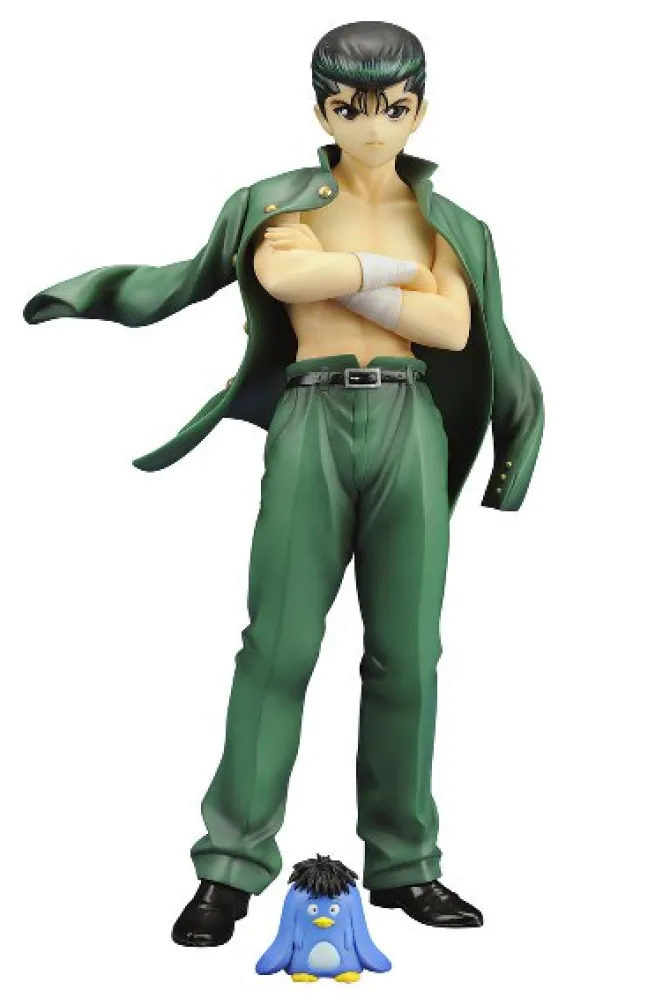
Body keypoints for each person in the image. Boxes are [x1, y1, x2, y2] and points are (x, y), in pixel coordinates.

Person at [23, 20, 544, 948]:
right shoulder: (277, 202)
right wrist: (392, 280)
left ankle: (406, 864)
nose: (374, 127)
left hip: (410, 423)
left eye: (395, 108)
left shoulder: (454, 225)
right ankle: (227, 867)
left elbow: (459, 331)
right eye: (352, 107)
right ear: (322, 111)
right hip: (311, 419)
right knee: (277, 644)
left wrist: (338, 275)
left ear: (420, 110)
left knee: (408, 654)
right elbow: (271, 275)